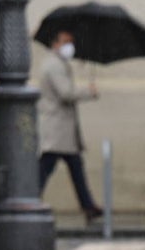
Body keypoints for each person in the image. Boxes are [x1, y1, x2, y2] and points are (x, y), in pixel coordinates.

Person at [37, 29, 103, 223]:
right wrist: (88, 92)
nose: (70, 46)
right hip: (57, 129)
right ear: (55, 43)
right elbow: (65, 93)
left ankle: (88, 205)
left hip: (63, 130)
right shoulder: (54, 65)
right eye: (66, 41)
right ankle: (31, 199)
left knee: (74, 167)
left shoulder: (58, 63)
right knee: (46, 167)